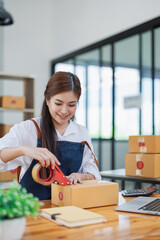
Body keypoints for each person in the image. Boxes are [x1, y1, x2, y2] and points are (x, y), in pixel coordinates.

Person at [0, 71, 101, 200]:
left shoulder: (81, 132)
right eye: (58, 103)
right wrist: (23, 150)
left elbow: (93, 172)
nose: (64, 111)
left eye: (71, 105)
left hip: (70, 206)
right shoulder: (28, 128)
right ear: (47, 100)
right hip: (33, 208)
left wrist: (81, 176)